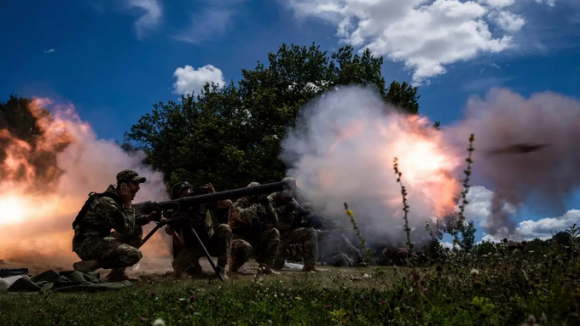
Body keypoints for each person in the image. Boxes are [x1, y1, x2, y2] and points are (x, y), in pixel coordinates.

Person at [71, 169, 157, 282]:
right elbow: (127, 229)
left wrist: (147, 218)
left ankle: (117, 275)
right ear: (123, 185)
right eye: (135, 184)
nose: (138, 188)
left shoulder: (117, 200)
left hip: (98, 239)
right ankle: (93, 263)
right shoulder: (107, 202)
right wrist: (128, 204)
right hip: (86, 243)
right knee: (134, 255)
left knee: (136, 228)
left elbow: (131, 220)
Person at [164, 181, 231, 280]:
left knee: (224, 228)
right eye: (183, 195)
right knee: (179, 269)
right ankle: (195, 267)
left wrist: (214, 194)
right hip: (193, 246)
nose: (187, 197)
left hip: (211, 241)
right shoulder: (176, 214)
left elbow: (228, 204)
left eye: (189, 194)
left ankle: (221, 269)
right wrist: (174, 234)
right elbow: (181, 243)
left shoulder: (202, 203)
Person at [267, 179, 321, 272]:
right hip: (275, 235)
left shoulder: (292, 200)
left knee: (310, 232)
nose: (293, 190)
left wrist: (309, 218)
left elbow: (299, 212)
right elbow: (266, 213)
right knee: (275, 266)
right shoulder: (272, 198)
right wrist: (285, 209)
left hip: (289, 233)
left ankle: (309, 265)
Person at [229, 182, 280, 275]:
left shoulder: (260, 204)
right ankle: (234, 266)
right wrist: (255, 204)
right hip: (238, 238)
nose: (259, 195)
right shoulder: (239, 204)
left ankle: (265, 266)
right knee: (244, 247)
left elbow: (275, 221)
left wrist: (267, 205)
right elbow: (244, 217)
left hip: (254, 237)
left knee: (274, 232)